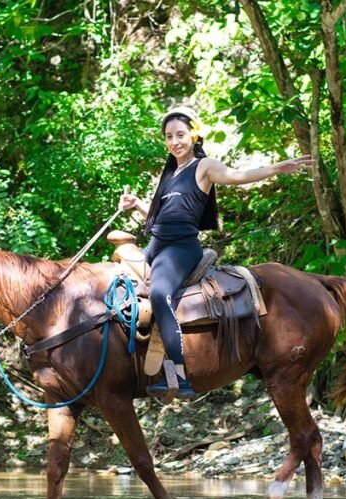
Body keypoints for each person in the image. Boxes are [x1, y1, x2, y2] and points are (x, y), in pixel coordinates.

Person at [119, 106, 311, 398]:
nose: (174, 142)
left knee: (159, 294)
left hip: (181, 249)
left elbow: (237, 176)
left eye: (180, 135)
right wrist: (138, 205)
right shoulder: (170, 174)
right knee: (116, 285)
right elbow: (163, 218)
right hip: (156, 246)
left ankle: (178, 375)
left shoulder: (203, 166)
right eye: (169, 137)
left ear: (194, 135)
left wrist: (275, 168)